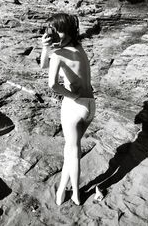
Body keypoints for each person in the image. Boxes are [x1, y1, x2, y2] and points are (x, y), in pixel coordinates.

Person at [40, 13, 95, 205]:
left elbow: (52, 85)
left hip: (75, 105)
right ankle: (62, 190)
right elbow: (44, 63)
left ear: (66, 32)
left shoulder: (58, 55)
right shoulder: (79, 47)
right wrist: (46, 47)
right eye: (51, 31)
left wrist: (71, 96)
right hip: (90, 107)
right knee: (70, 151)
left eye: (56, 31)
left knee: (73, 152)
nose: (53, 34)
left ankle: (76, 195)